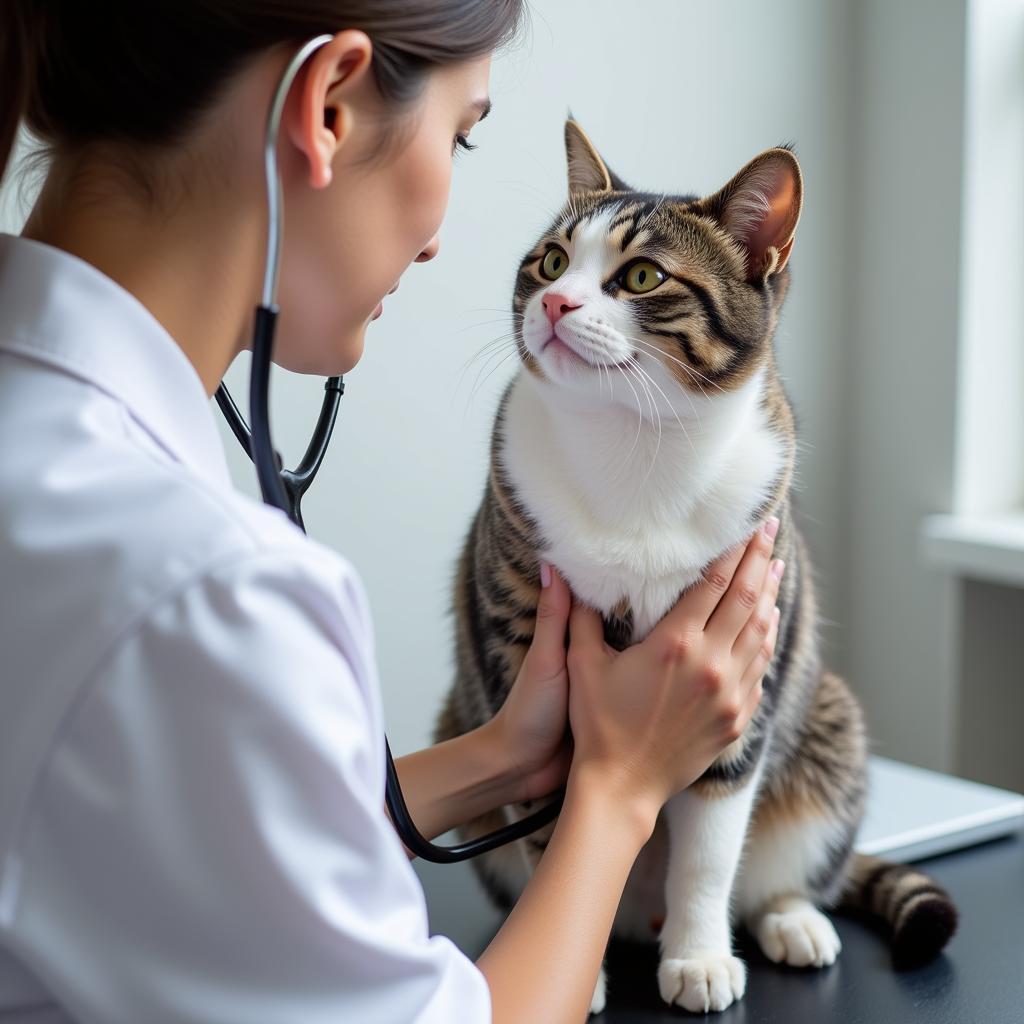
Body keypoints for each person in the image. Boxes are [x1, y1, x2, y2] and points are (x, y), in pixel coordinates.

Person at [0, 4, 784, 1022]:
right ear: (326, 106)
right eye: (461, 136)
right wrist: (621, 787)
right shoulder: (200, 594)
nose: (437, 241)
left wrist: (499, 756)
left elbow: (144, 834)